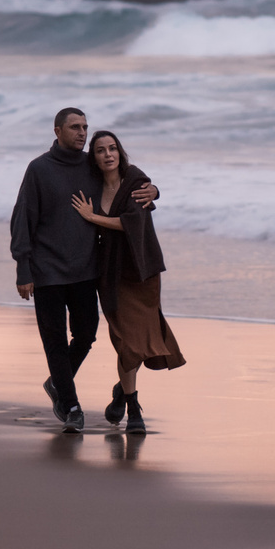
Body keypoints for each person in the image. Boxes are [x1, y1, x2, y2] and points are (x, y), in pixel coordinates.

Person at [9, 107, 153, 429]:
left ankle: (58, 383)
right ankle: (71, 405)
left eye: (85, 127)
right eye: (75, 127)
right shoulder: (39, 169)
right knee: (55, 340)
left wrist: (155, 190)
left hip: (86, 270)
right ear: (57, 131)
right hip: (46, 271)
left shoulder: (92, 166)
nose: (82, 133)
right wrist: (23, 268)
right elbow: (23, 220)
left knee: (86, 334)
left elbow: (127, 180)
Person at [72, 130, 185, 431]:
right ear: (93, 158)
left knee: (139, 339)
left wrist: (92, 217)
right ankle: (127, 398)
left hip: (140, 272)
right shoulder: (91, 186)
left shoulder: (135, 180)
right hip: (109, 274)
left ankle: (128, 400)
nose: (108, 154)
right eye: (100, 150)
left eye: (112, 149)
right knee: (125, 340)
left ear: (120, 153)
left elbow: (130, 222)